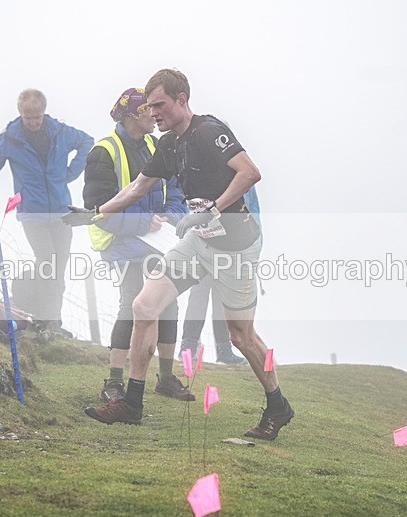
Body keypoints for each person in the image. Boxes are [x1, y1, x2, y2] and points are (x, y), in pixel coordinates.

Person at [66, 69, 294, 441]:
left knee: (241, 336)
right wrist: (95, 213)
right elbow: (139, 187)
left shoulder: (207, 131)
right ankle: (132, 404)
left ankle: (278, 405)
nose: (153, 112)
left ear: (182, 100)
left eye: (160, 104)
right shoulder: (169, 144)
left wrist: (213, 209)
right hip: (198, 242)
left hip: (235, 248)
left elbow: (250, 173)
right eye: (149, 106)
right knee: (144, 306)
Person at [83, 88, 191, 404]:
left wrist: (170, 216)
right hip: (121, 241)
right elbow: (97, 210)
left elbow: (176, 189)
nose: (156, 115)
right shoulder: (104, 151)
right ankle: (114, 381)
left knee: (167, 302)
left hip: (156, 239)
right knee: (132, 301)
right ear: (133, 115)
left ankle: (166, 378)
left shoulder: (154, 145)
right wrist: (144, 223)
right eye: (150, 109)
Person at [0, 89, 94, 338]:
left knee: (57, 268)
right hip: (32, 213)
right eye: (27, 118)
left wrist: (71, 173)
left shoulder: (60, 132)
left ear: (44, 111)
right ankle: (44, 320)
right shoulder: (11, 139)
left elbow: (87, 141)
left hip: (63, 211)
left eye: (36, 117)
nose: (32, 123)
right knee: (47, 263)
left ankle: (53, 323)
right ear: (20, 113)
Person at [178, 186, 261, 366]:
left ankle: (224, 349)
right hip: (205, 245)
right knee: (198, 295)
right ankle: (189, 345)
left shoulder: (246, 182)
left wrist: (254, 248)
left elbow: (254, 213)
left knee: (221, 300)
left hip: (233, 250)